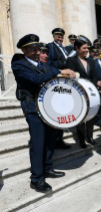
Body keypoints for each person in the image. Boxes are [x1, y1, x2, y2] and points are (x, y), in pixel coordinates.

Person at [12, 34, 76, 192]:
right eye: (32, 49)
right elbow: (34, 79)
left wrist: (65, 72)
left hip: (49, 107)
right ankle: (36, 179)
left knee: (50, 139)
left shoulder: (43, 65)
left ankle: (48, 168)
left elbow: (56, 72)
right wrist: (60, 72)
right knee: (38, 143)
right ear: (23, 49)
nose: (36, 51)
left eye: (37, 49)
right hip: (33, 107)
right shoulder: (19, 64)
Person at [66, 39, 98, 148]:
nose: (87, 50)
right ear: (77, 48)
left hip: (90, 92)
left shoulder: (91, 61)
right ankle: (82, 139)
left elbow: (94, 76)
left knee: (90, 115)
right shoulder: (71, 60)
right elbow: (73, 75)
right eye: (84, 48)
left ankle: (90, 136)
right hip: (78, 92)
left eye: (87, 48)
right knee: (80, 116)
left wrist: (91, 88)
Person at [47, 28, 71, 149]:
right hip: (56, 81)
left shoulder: (65, 49)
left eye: (61, 36)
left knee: (62, 110)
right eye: (58, 36)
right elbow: (48, 64)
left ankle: (59, 139)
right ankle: (55, 140)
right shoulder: (50, 47)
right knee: (56, 112)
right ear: (53, 36)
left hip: (66, 82)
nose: (60, 38)